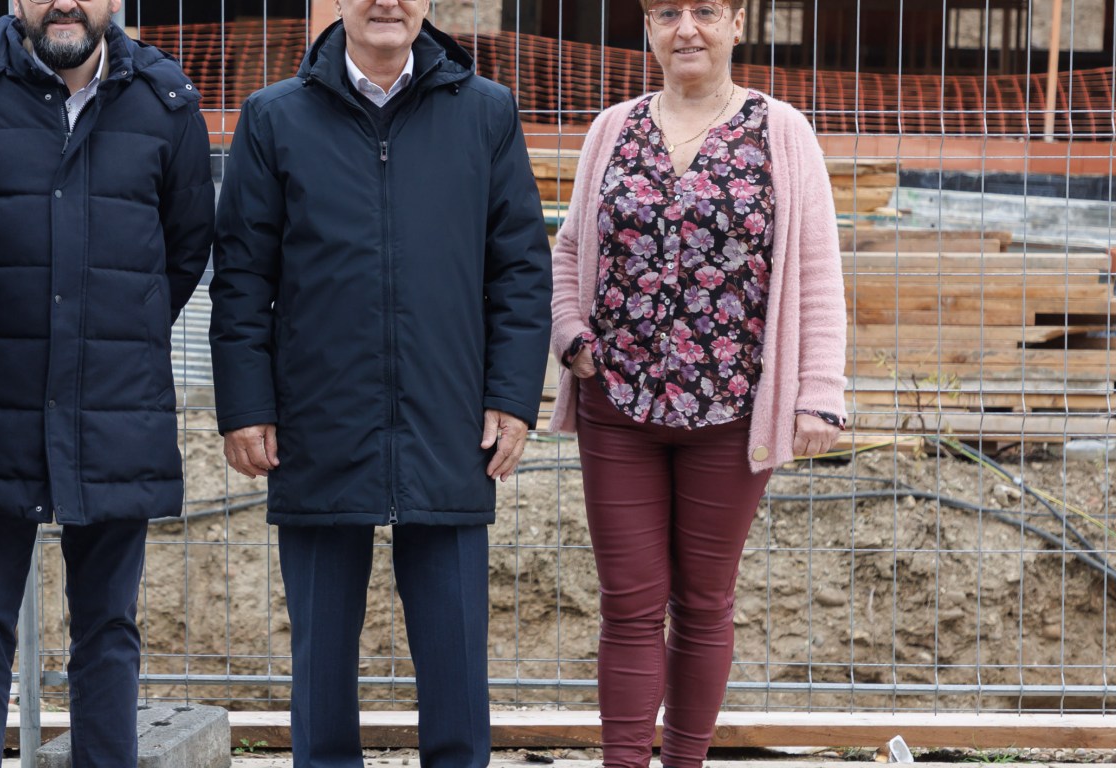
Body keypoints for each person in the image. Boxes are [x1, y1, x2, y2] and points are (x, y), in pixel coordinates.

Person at [209, 0, 553, 763]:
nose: (386, 2)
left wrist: (511, 396)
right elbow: (241, 277)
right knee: (321, 648)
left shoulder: (486, 113)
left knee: (455, 645)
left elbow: (521, 268)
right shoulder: (275, 118)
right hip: (317, 415)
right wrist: (246, 403)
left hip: (449, 414)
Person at [0, 0, 214, 764]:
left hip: (115, 406)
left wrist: (110, 335)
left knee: (108, 628)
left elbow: (181, 254)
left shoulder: (167, 105)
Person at [547, 2, 849, 766]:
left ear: (737, 23)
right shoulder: (611, 130)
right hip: (617, 403)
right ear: (648, 26)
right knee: (628, 604)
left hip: (732, 411)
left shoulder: (782, 132)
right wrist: (571, 335)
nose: (687, 28)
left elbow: (817, 269)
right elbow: (570, 250)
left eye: (706, 10)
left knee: (705, 603)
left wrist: (819, 391)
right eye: (667, 11)